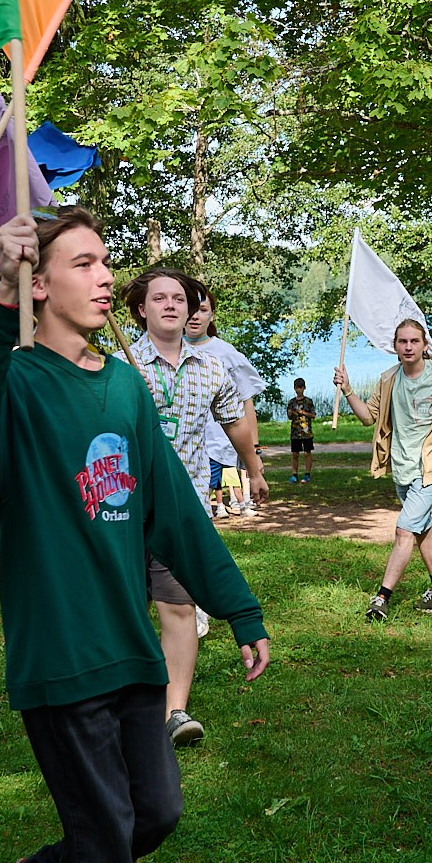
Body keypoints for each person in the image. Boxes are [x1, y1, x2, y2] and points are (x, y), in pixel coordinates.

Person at [0, 208, 273, 863]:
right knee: (104, 828)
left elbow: (171, 508)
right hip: (60, 656)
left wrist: (239, 607)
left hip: (132, 650)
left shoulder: (123, 388)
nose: (101, 277)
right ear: (38, 282)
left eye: (104, 261)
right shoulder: (15, 383)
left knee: (154, 812)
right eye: (80, 262)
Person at [126, 268, 267, 748]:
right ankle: (122, 704)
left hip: (183, 510)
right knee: (122, 607)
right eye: (159, 298)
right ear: (140, 309)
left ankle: (174, 711)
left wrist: (254, 467)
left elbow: (234, 424)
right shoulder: (119, 365)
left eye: (180, 299)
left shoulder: (211, 367)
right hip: (122, 506)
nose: (171, 305)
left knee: (178, 606)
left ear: (191, 311)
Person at [333, 318, 432, 621]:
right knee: (422, 529)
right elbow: (368, 417)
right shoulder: (388, 379)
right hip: (401, 468)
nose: (408, 347)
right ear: (395, 346)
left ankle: (381, 598)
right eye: (402, 342)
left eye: (414, 341)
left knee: (404, 531)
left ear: (425, 345)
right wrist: (347, 390)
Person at [185, 287, 266, 519]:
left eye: (202, 310)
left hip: (219, 444)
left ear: (212, 315)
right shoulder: (168, 349)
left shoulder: (225, 353)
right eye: (191, 309)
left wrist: (255, 451)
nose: (195, 316)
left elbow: (246, 403)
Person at [285, 379, 317, 482]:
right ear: (294, 388)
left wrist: (302, 412)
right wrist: (290, 413)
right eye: (297, 388)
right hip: (295, 432)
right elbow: (289, 417)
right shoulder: (291, 402)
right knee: (295, 454)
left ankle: (307, 474)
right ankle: (294, 474)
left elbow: (313, 415)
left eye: (300, 387)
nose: (298, 390)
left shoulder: (308, 401)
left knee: (307, 453)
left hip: (306, 432)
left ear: (304, 388)